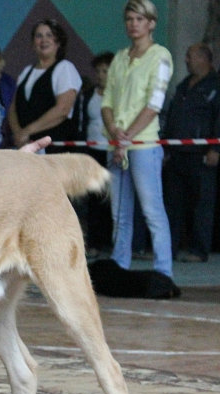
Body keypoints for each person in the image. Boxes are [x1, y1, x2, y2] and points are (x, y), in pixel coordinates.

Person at [101, 0, 175, 279]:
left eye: (139, 19)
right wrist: (113, 131)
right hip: (117, 142)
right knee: (119, 213)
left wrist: (126, 137)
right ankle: (120, 265)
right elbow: (107, 99)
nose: (133, 24)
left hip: (142, 144)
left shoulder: (161, 56)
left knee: (152, 210)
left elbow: (154, 104)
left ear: (151, 23)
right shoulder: (120, 57)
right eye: (129, 19)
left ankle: (163, 270)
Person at [163, 43, 220, 263]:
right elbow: (173, 117)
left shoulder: (215, 85)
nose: (186, 59)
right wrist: (167, 146)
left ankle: (198, 250)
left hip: (202, 154)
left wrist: (215, 148)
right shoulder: (184, 85)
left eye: (190, 55)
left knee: (202, 205)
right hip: (177, 153)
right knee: (173, 204)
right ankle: (170, 247)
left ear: (204, 58)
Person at [7, 19, 82, 153]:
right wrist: (18, 133)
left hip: (53, 151)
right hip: (26, 148)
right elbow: (13, 107)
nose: (44, 40)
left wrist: (27, 131)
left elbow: (63, 109)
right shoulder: (26, 71)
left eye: (49, 35)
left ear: (58, 42)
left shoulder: (65, 68)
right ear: (33, 42)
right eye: (39, 36)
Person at [76, 52, 115, 255]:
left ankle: (109, 241)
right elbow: (82, 123)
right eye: (98, 71)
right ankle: (93, 242)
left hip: (112, 150)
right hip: (92, 152)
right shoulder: (88, 95)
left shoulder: (119, 94)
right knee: (93, 198)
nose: (100, 75)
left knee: (110, 199)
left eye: (105, 71)